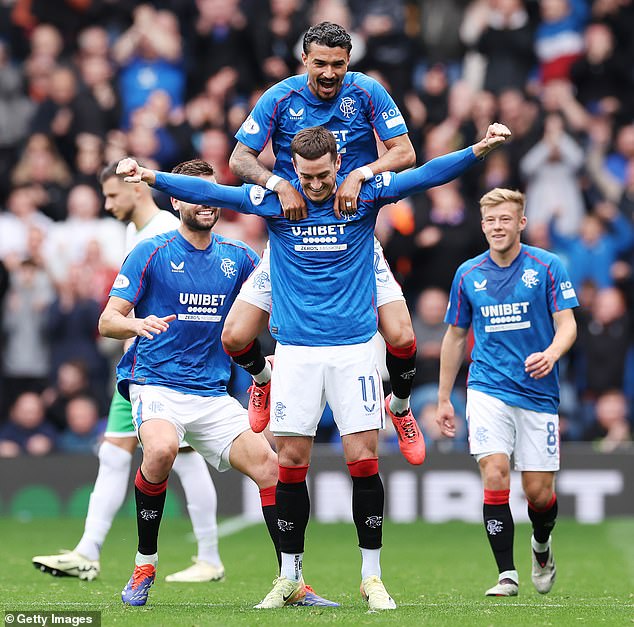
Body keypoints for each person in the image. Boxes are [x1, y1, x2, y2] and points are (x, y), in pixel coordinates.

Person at [116, 120, 510, 609]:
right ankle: (290, 576)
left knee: (363, 458)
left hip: (352, 346)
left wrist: (477, 148)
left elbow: (425, 175)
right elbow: (210, 190)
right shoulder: (278, 198)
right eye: (306, 176)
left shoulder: (363, 193)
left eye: (323, 175)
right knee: (289, 461)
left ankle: (372, 577)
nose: (316, 184)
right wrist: (150, 176)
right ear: (292, 168)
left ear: (338, 166)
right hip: (297, 349)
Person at [100, 159, 335, 608]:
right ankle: (145, 563)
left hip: (210, 393)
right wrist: (136, 324)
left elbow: (272, 309)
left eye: (211, 193)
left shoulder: (239, 258)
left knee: (271, 468)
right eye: (194, 193)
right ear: (176, 201)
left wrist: (276, 348)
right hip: (155, 383)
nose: (205, 202)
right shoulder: (152, 250)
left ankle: (293, 581)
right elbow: (107, 320)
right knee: (163, 449)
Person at [225, 21, 425, 465]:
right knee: (236, 336)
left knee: (403, 336)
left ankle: (402, 408)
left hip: (352, 241)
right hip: (291, 241)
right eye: (320, 63)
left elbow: (406, 152)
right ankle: (262, 378)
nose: (330, 72)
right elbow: (239, 159)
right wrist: (278, 182)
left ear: (348, 62)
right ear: (305, 61)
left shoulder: (368, 91)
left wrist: (361, 172)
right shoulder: (280, 97)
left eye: (338, 64)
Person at [32, 162, 225, 584]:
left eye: (113, 195)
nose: (108, 203)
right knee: (129, 454)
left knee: (155, 457)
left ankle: (200, 556)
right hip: (146, 364)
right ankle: (94, 551)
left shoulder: (160, 232)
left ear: (137, 191)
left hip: (160, 368)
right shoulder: (137, 231)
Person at [435, 188, 578, 597]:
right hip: (487, 386)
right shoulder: (468, 274)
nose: (498, 227)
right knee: (495, 472)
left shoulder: (548, 267)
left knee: (539, 493)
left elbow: (567, 324)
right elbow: (455, 336)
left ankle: (542, 544)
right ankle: (506, 574)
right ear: (483, 226)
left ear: (521, 223)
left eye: (505, 220)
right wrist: (445, 398)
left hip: (537, 391)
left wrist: (551, 353)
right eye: (491, 221)